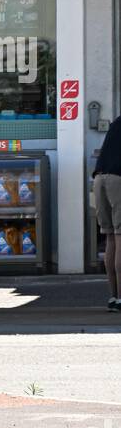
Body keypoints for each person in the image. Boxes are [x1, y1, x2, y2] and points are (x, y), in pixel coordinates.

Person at [93, 114, 121, 311]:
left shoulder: (117, 122)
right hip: (118, 180)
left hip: (100, 179)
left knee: (111, 238)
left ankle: (114, 297)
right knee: (120, 237)